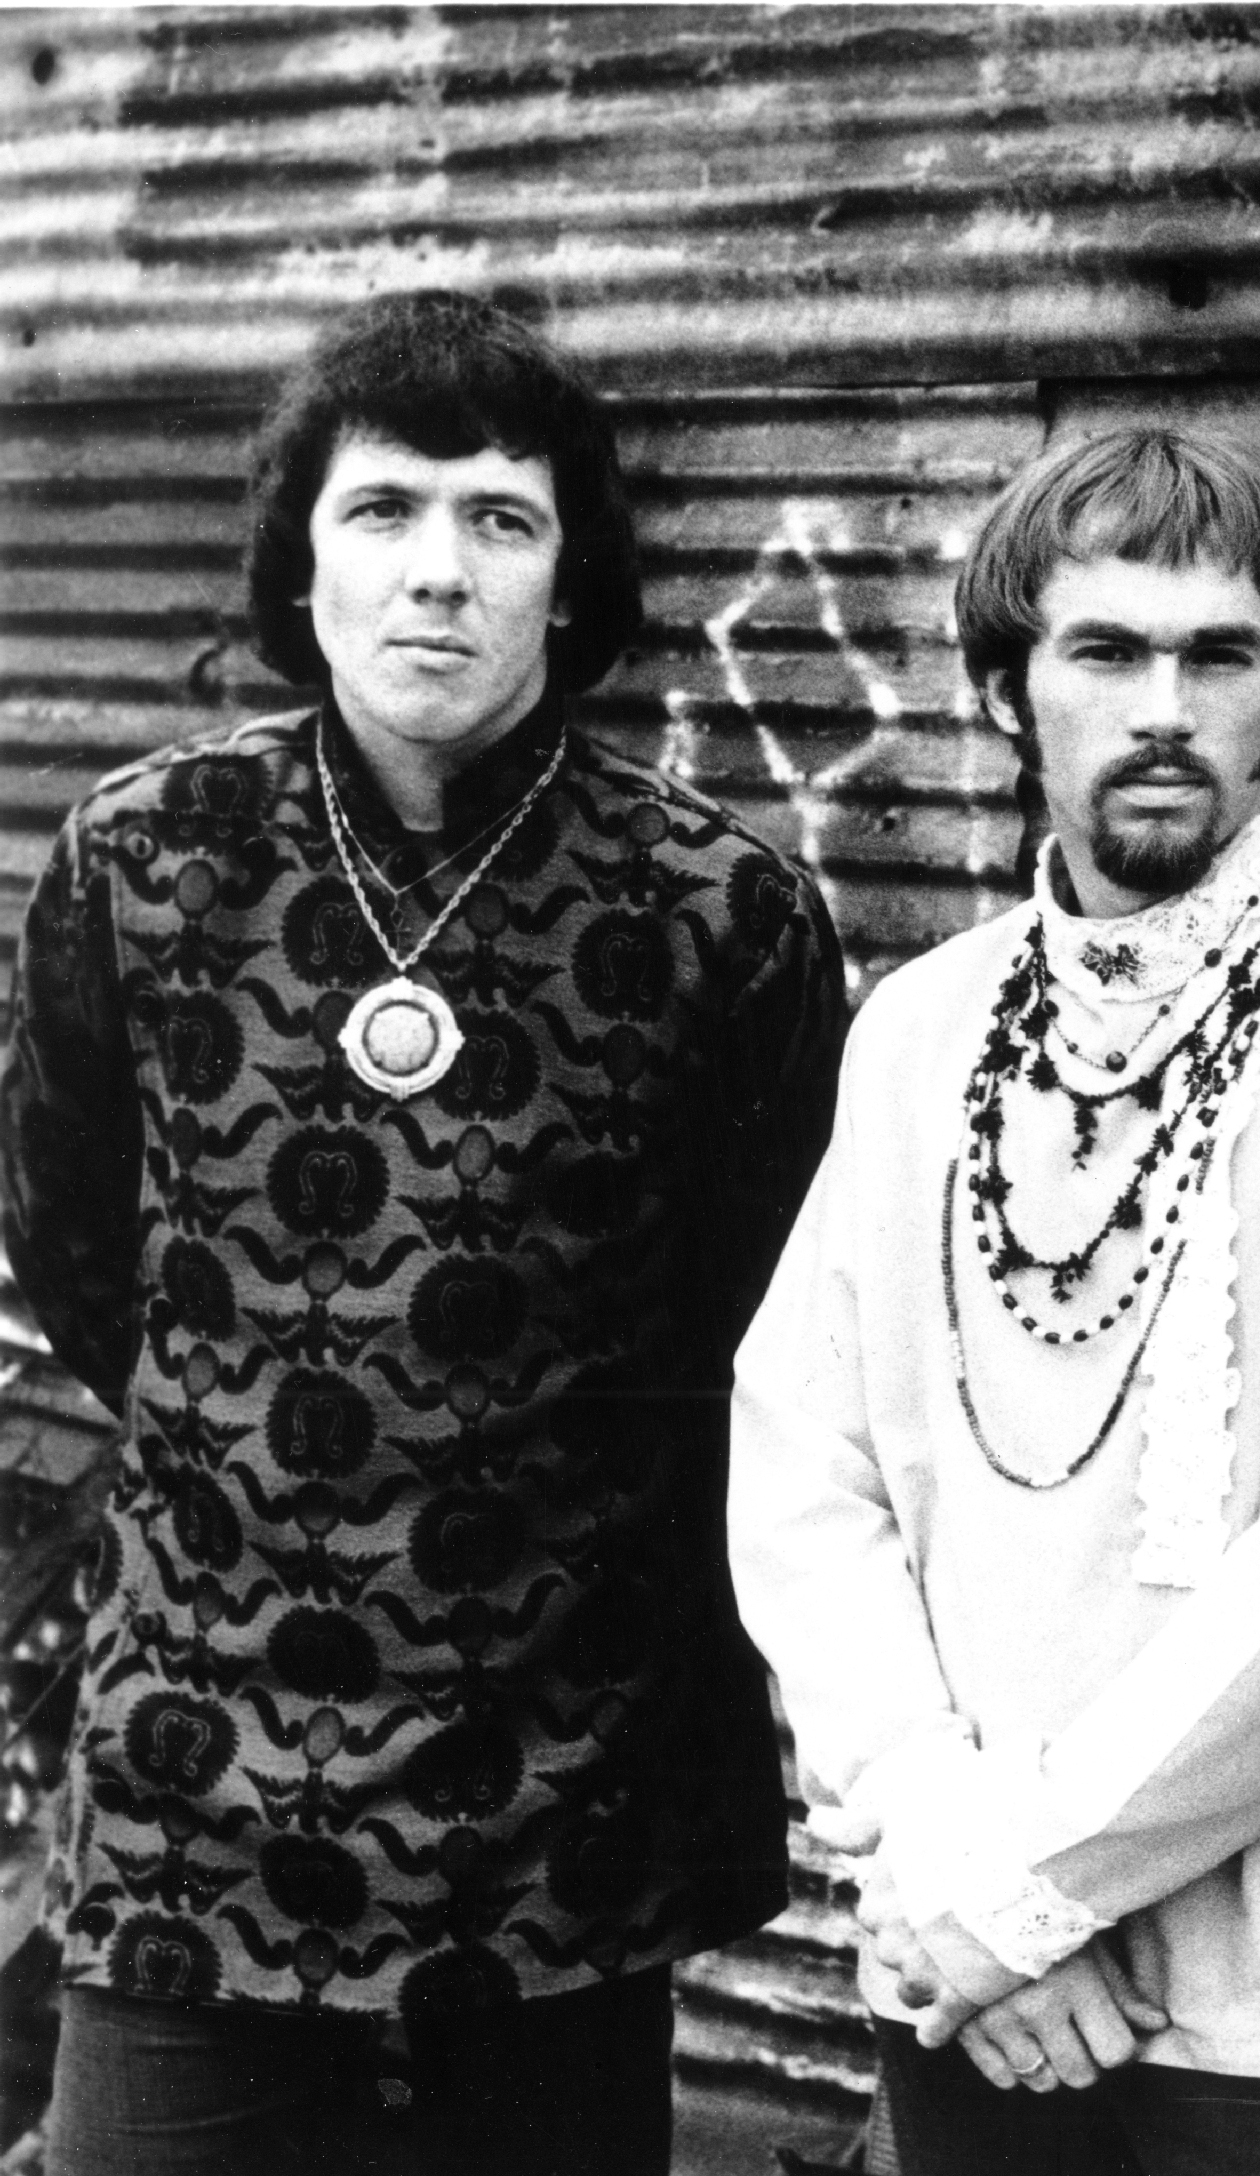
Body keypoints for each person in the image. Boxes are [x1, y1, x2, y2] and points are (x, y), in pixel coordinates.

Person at [0, 290, 849, 2175]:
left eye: (501, 518)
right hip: (194, 1797)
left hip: (556, 1812)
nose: (438, 575)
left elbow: (768, 1331)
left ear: (571, 580)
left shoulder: (720, 914)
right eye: (383, 512)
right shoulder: (145, 866)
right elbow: (74, 1249)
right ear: (301, 564)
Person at [727, 425, 1260, 2175]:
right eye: (1104, 651)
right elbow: (803, 1478)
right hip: (973, 1972)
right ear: (1004, 693)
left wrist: (1023, 1890)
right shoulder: (921, 1031)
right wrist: (950, 1862)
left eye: (1219, 655)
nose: (1166, 707)